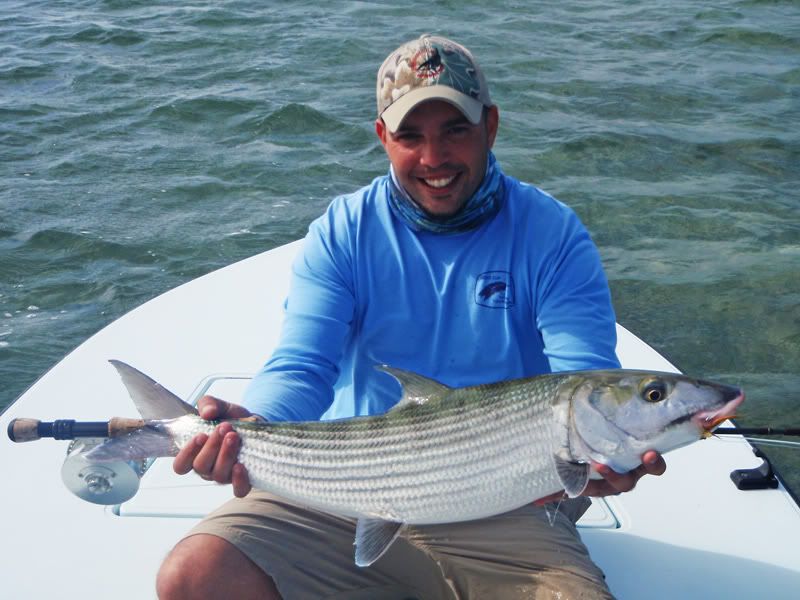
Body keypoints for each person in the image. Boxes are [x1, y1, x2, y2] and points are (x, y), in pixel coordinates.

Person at [156, 34, 666, 599]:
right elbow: (302, 366)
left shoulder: (552, 235)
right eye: (410, 136)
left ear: (490, 126)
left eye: (455, 130)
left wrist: (605, 457)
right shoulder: (345, 231)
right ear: (382, 137)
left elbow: (584, 377)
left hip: (512, 498)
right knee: (194, 576)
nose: (434, 158)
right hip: (348, 482)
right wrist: (251, 422)